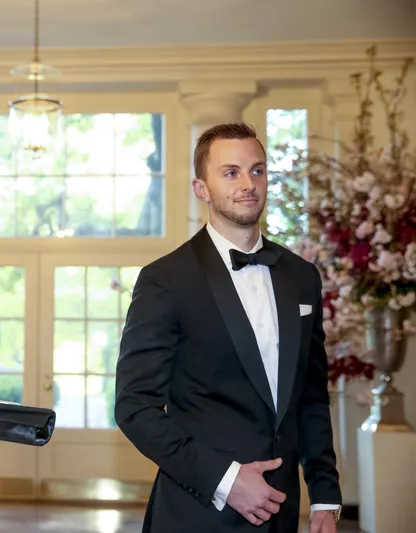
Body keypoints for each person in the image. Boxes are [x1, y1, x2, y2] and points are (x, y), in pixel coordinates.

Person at [114, 123, 342, 533]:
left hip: (283, 512)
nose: (248, 184)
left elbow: (310, 397)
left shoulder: (301, 276)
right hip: (197, 512)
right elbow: (136, 408)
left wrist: (325, 495)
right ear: (202, 188)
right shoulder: (165, 279)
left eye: (257, 170)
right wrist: (226, 480)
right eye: (231, 172)